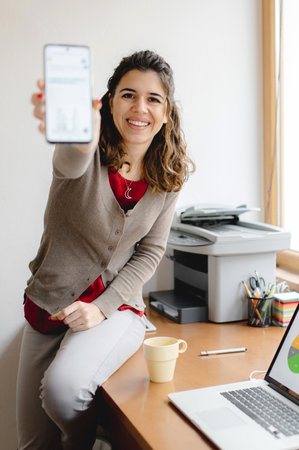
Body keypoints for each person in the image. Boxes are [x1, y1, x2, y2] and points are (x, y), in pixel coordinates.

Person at [16, 50, 194, 450]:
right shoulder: (87, 153)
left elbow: (150, 253)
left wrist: (101, 308)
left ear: (166, 112)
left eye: (153, 99)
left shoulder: (169, 177)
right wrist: (78, 137)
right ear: (109, 102)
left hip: (116, 307)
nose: (139, 108)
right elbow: (70, 160)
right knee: (33, 444)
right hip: (49, 303)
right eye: (128, 94)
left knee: (63, 391)